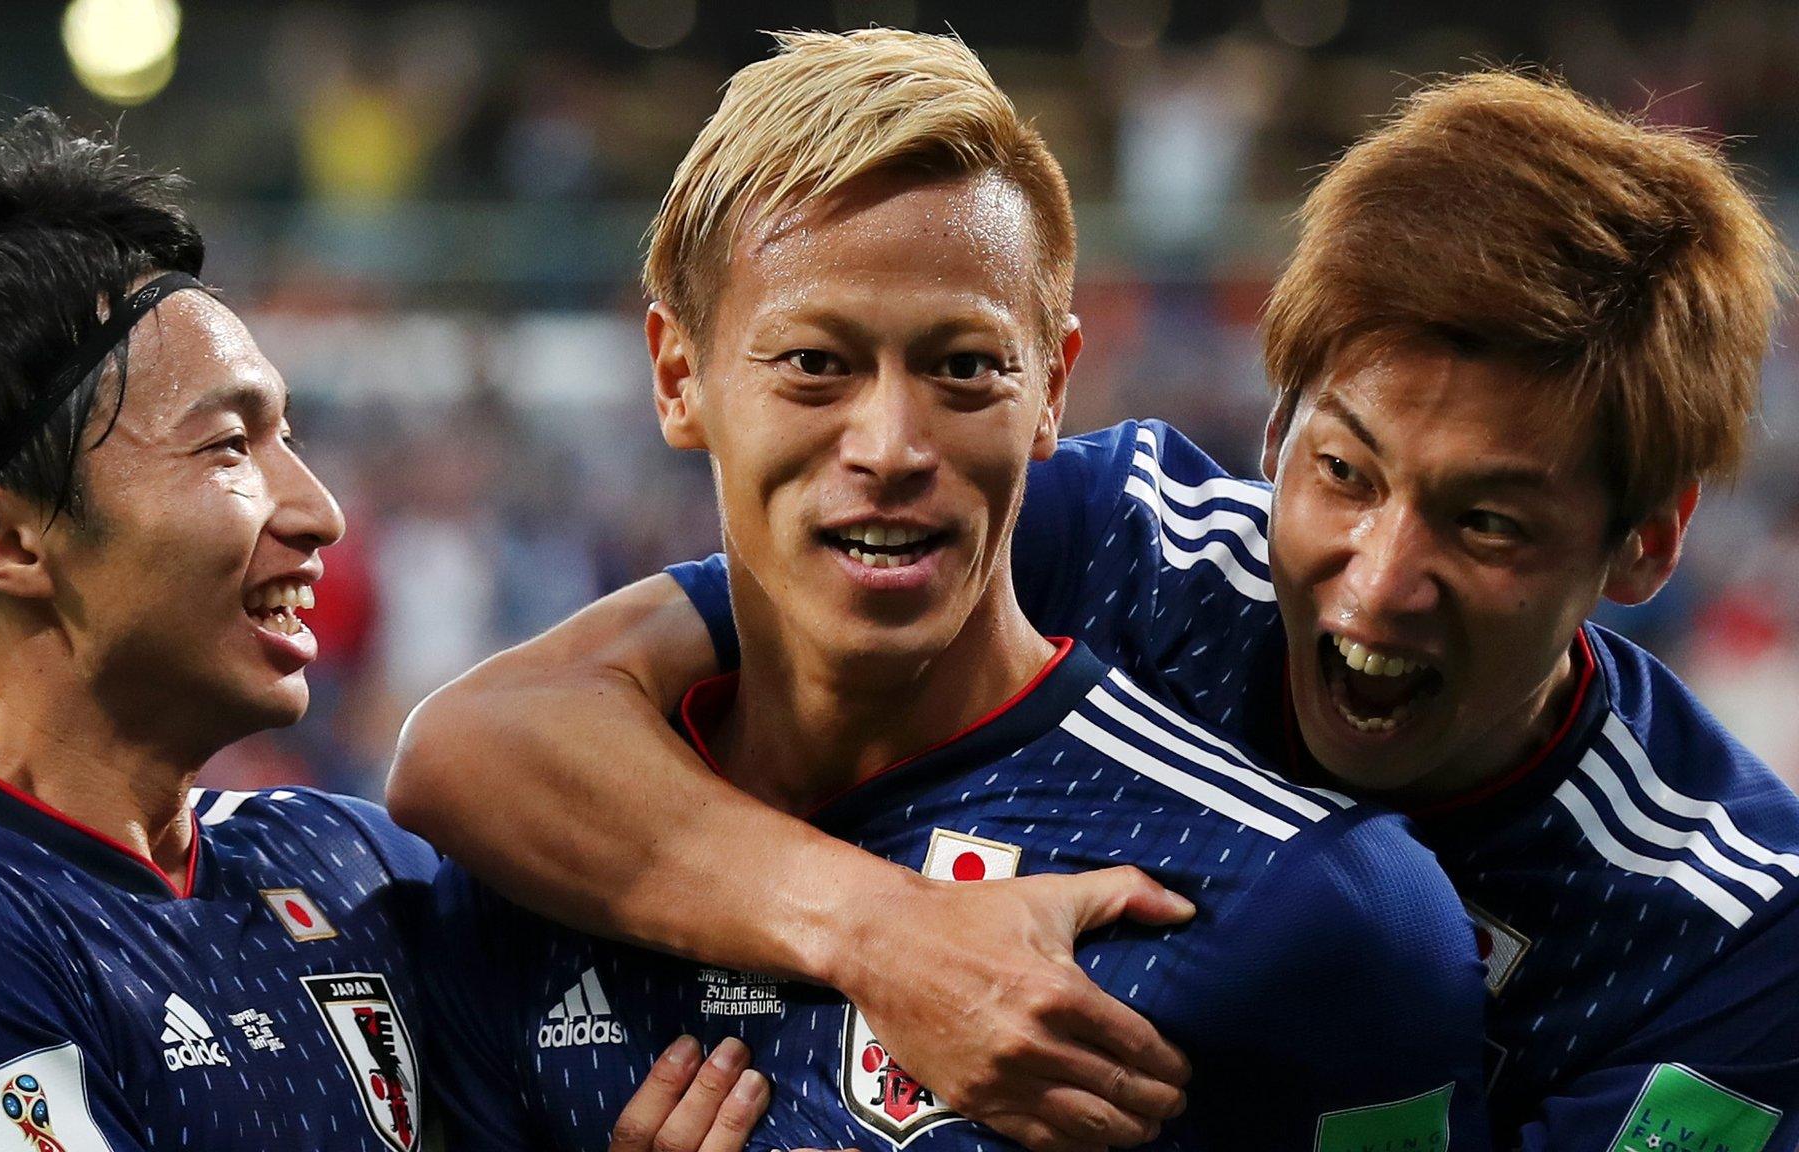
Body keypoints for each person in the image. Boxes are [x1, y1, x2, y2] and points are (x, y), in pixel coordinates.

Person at [390, 65, 1799, 1152]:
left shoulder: (1731, 935)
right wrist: (885, 932)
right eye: (1343, 472)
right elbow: (488, 740)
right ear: (1274, 432)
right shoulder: (1127, 538)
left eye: (1485, 523)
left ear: (1648, 542)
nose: (1380, 579)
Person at [0, 113, 778, 1152]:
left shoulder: (338, 862)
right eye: (229, 445)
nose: (320, 509)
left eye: (287, 433)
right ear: (5, 538)